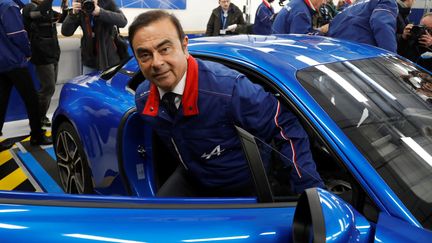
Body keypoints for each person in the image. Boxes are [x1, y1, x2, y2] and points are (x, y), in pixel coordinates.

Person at [129, 10, 324, 197]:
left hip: (244, 185)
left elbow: (285, 125)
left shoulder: (229, 90)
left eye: (165, 49)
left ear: (184, 46)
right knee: (158, 224)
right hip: (195, 178)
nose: (156, 62)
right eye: (145, 55)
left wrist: (310, 193)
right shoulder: (144, 98)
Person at [0, 0, 52, 147]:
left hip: (2, 61)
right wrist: (28, 51)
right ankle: (37, 136)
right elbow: (17, 34)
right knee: (32, 99)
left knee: (1, 100)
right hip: (14, 61)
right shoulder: (8, 6)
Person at [23, 0, 67, 127]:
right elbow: (39, 12)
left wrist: (64, 5)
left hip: (53, 52)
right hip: (41, 54)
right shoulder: (29, 8)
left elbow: (61, 19)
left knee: (49, 87)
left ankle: (39, 116)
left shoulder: (47, 10)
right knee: (48, 88)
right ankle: (37, 117)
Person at [61, 0, 127, 74]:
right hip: (89, 60)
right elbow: (66, 32)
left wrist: (100, 12)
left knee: (108, 84)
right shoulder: (82, 7)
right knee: (88, 84)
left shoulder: (107, 3)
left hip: (109, 59)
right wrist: (73, 14)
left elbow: (123, 21)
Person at [327, 0, 398, 52]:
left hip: (338, 59)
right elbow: (381, 23)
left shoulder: (348, 9)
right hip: (364, 58)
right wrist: (392, 59)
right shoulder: (385, 1)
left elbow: (331, 29)